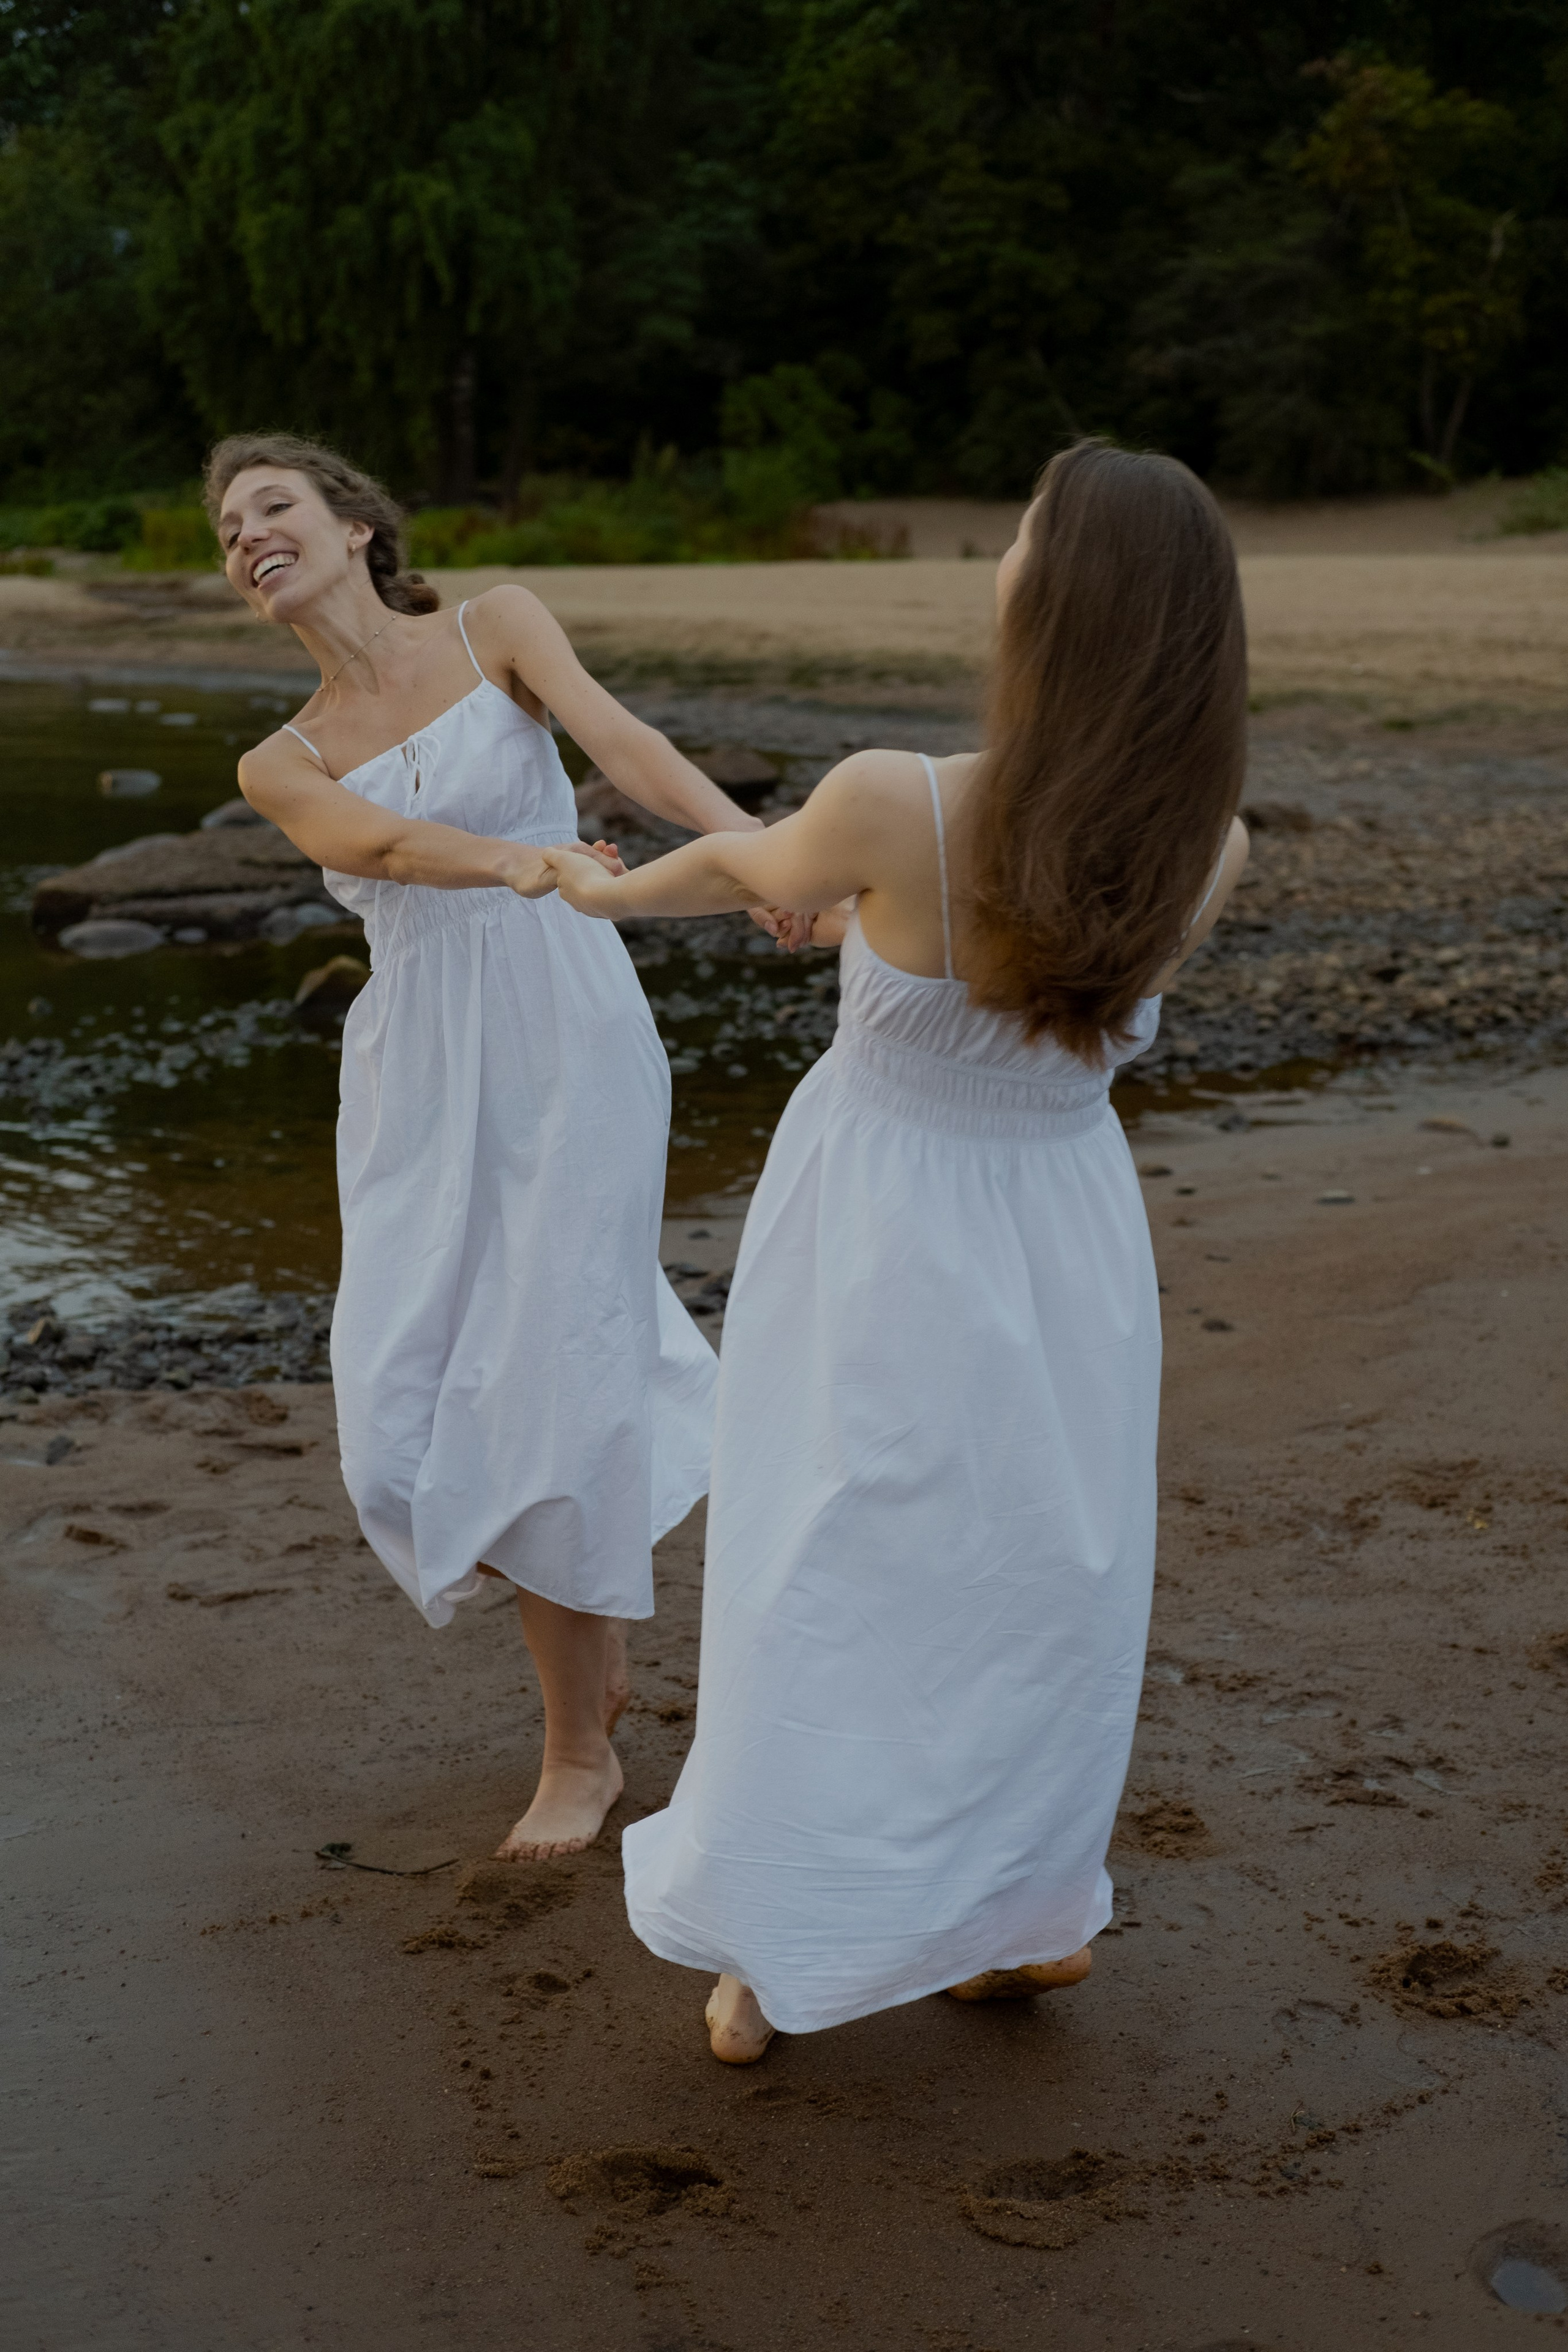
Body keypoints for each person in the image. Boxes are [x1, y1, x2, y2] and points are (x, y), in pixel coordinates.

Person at [538, 440, 1250, 2057]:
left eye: (1020, 536)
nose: (999, 556)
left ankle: (770, 1945)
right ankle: (1015, 1911)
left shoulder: (899, 800)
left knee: (825, 1563)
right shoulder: (1209, 845)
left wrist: (604, 896)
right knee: (1038, 1576)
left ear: (1057, 601)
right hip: (1068, 1230)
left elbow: (747, 870)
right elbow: (1045, 957)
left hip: (884, 1219)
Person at [206, 431, 766, 1863]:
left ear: (352, 526)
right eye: (225, 530)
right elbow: (380, 846)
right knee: (402, 1388)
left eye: (272, 506)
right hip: (417, 1066)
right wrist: (523, 858)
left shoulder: (495, 622)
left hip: (566, 1026)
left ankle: (577, 1749)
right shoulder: (278, 758)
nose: (246, 534)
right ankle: (590, 1638)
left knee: (548, 1364)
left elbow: (620, 745)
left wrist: (760, 857)